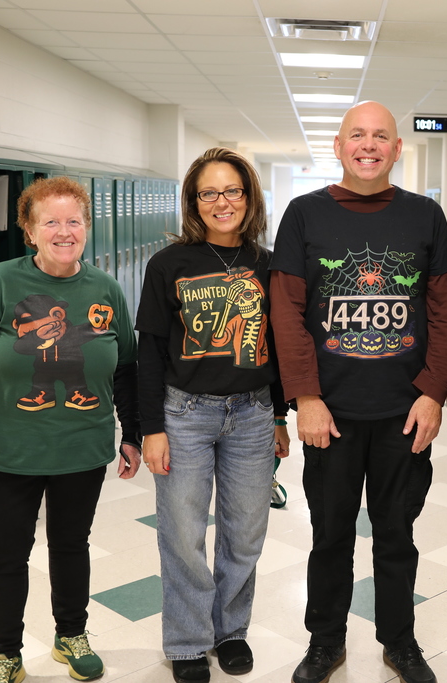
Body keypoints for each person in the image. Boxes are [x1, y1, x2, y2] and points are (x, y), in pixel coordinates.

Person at [270, 101, 447, 683]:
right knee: (330, 537)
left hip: (405, 412)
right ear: (339, 146)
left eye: (380, 136)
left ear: (398, 149)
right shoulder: (304, 214)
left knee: (397, 536)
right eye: (357, 135)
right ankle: (325, 642)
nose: (368, 145)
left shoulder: (425, 216)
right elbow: (286, 312)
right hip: (330, 414)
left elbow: (445, 311)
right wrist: (306, 397)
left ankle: (399, 641)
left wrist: (433, 393)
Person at [0, 176, 142, 683]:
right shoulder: (0, 282)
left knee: (72, 545)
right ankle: (5, 654)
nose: (63, 231)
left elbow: (126, 367)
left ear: (87, 228)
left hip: (82, 447)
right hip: (11, 450)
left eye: (73, 221)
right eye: (50, 221)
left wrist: (132, 433)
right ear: (30, 231)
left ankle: (70, 635)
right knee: (5, 556)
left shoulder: (105, 288)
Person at [135, 147, 290, 683]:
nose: (222, 202)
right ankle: (186, 641)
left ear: (249, 197)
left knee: (244, 531)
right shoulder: (168, 265)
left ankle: (230, 631)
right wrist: (152, 429)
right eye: (209, 193)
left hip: (253, 413)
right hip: (185, 414)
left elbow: (279, 345)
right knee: (182, 533)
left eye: (232, 191)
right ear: (193, 201)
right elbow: (150, 351)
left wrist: (279, 417)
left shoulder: (268, 264)